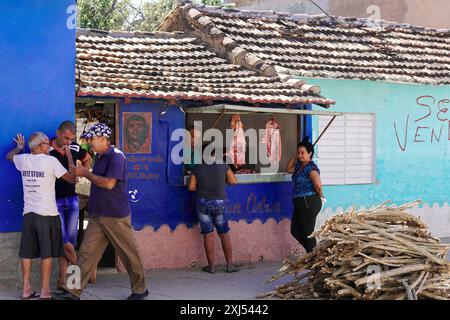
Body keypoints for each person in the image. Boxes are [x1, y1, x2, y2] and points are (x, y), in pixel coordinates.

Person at [54, 123, 149, 300]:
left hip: (116, 215)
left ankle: (140, 289)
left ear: (103, 139)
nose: (89, 142)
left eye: (92, 139)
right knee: (85, 253)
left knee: (129, 253)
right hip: (98, 215)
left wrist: (85, 173)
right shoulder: (100, 156)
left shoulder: (117, 157)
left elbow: (109, 183)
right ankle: (72, 290)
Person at [6, 132, 75, 300]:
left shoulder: (24, 160)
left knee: (27, 254)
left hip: (29, 214)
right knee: (47, 254)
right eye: (47, 144)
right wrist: (70, 157)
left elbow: (9, 156)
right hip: (48, 214)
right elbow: (71, 179)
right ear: (40, 146)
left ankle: (26, 289)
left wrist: (19, 147)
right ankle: (45, 291)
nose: (49, 146)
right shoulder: (51, 161)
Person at [49, 121, 93, 290]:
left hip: (72, 200)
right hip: (54, 201)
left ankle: (66, 281)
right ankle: (86, 271)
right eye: (66, 138)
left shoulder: (74, 147)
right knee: (64, 242)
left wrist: (82, 174)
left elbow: (88, 158)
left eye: (71, 138)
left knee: (69, 244)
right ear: (58, 133)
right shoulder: (47, 149)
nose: (68, 142)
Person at [188, 143, 239, 273]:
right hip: (219, 202)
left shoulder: (197, 168)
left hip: (203, 202)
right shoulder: (223, 165)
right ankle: (230, 265)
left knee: (208, 234)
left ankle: (211, 266)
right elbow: (233, 181)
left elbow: (191, 187)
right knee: (224, 234)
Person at [287, 137, 325, 253]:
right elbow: (288, 169)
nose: (300, 155)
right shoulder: (300, 167)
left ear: (310, 153)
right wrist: (295, 158)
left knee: (308, 232)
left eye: (303, 153)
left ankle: (314, 256)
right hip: (300, 203)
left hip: (309, 202)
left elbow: (318, 186)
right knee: (295, 230)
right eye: (298, 152)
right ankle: (312, 253)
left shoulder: (311, 168)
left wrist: (321, 196)